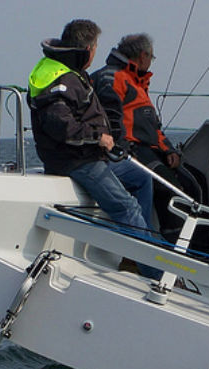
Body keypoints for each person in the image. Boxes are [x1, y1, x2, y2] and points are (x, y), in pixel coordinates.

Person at [27, 19, 159, 278]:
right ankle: (156, 272)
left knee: (142, 179)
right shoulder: (58, 77)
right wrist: (99, 137)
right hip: (75, 160)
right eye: (96, 46)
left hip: (88, 155)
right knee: (127, 207)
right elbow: (61, 127)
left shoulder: (69, 70)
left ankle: (135, 255)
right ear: (88, 49)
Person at [91, 33, 208, 247]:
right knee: (173, 191)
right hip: (130, 150)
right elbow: (110, 121)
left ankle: (199, 247)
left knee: (195, 183)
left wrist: (170, 151)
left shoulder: (137, 82)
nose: (151, 62)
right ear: (143, 55)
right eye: (152, 58)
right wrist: (123, 151)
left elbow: (152, 127)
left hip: (150, 149)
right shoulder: (113, 77)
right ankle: (167, 248)